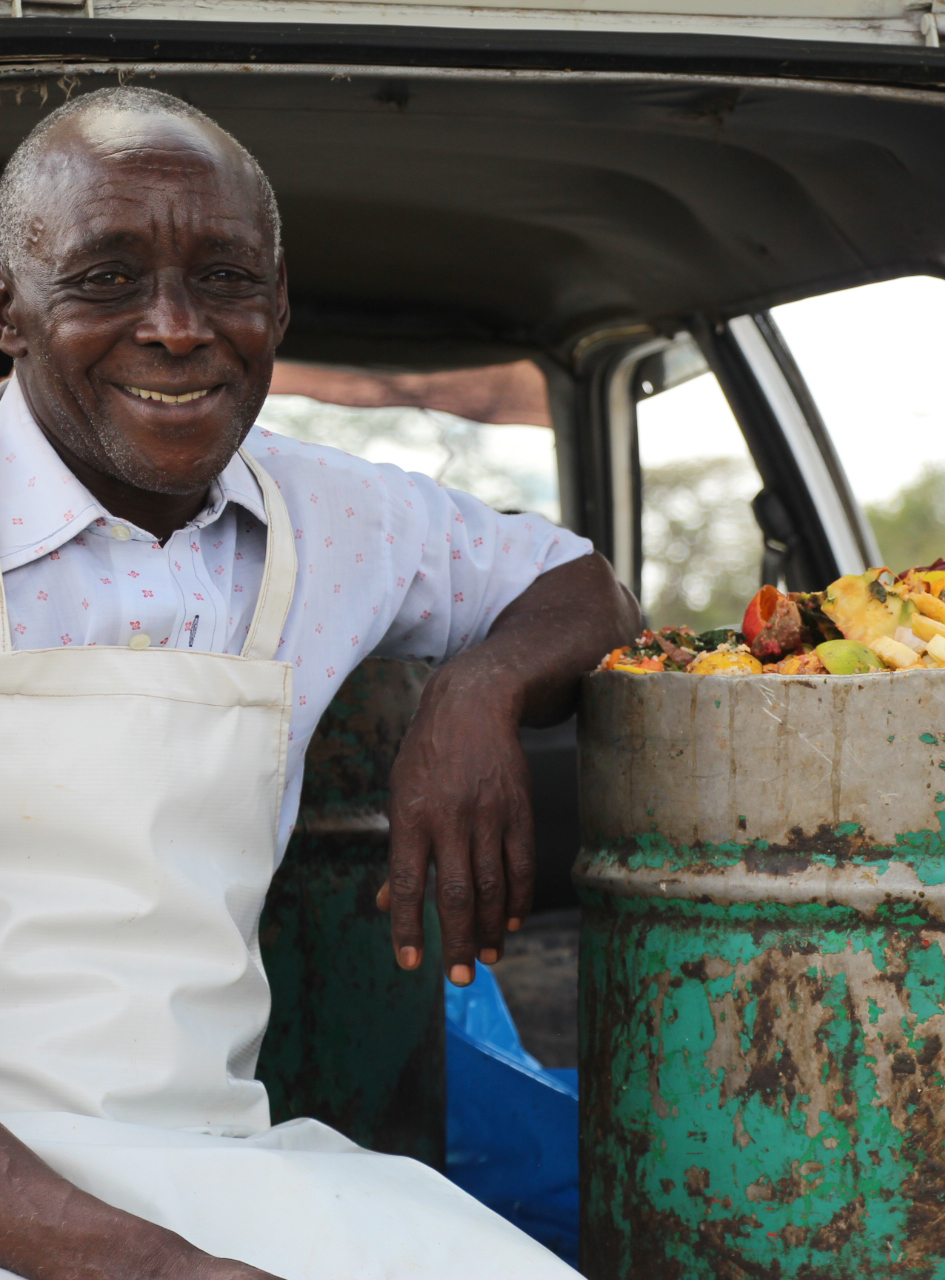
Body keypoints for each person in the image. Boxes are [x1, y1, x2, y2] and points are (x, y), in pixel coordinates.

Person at [0, 86, 640, 1280]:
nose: (178, 327)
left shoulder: (333, 516)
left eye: (226, 278)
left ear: (279, 302)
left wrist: (478, 690)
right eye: (105, 277)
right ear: (9, 309)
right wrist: (159, 1268)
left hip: (205, 1159)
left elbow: (582, 583)